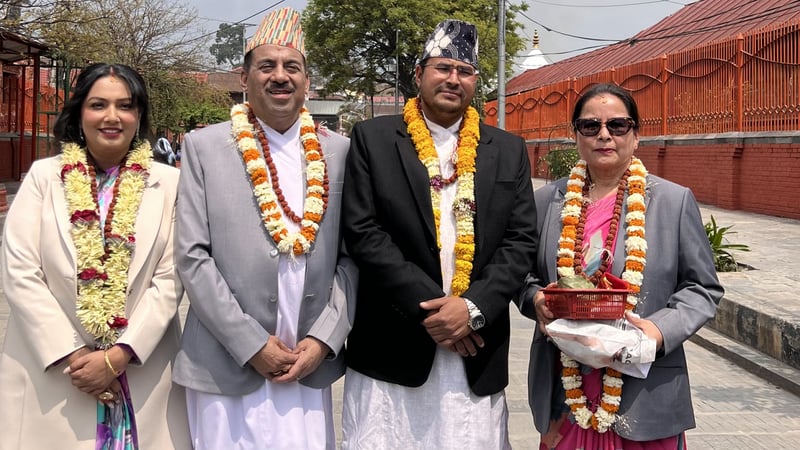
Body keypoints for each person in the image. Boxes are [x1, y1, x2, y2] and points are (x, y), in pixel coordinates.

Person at [340, 18, 538, 449]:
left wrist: (470, 309)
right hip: (393, 343)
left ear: (475, 82)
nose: (453, 79)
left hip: (476, 345)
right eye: (442, 67)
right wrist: (434, 312)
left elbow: (521, 241)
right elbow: (363, 232)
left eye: (465, 71)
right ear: (419, 75)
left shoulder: (508, 149)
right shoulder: (373, 139)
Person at [171, 7, 356, 450]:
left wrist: (324, 340)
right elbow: (192, 257)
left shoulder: (341, 152)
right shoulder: (204, 147)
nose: (280, 76)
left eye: (292, 66)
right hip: (225, 362)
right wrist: (251, 343)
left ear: (307, 81)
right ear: (244, 76)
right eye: (267, 65)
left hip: (307, 365)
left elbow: (353, 258)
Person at [519, 83, 724, 449]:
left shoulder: (672, 202)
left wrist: (656, 333)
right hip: (566, 392)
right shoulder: (548, 202)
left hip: (645, 389)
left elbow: (702, 288)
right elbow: (522, 275)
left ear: (636, 134)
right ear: (575, 135)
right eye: (590, 126)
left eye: (617, 125)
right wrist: (535, 300)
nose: (604, 135)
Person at [0, 63, 190, 449]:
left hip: (141, 368)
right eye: (98, 104)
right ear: (79, 112)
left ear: (139, 115)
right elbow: (20, 271)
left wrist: (119, 356)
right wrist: (72, 353)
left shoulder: (169, 183)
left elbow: (171, 279)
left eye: (125, 105)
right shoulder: (43, 177)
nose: (111, 117)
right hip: (55, 372)